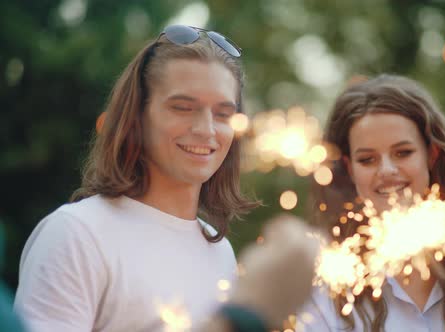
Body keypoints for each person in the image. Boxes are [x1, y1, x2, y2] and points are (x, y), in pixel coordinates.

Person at [14, 24, 261, 331]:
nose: (206, 129)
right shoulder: (76, 235)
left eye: (223, 113)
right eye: (183, 108)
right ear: (137, 118)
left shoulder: (220, 251)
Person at [301, 74, 445, 331]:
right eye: (367, 159)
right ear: (350, 169)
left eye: (403, 153)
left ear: (431, 155)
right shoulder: (324, 293)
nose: (387, 170)